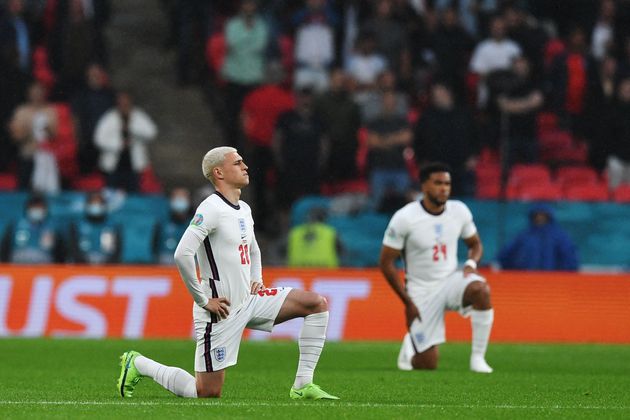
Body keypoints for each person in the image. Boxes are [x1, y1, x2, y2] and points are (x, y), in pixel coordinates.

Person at [117, 146, 338, 400]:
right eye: (238, 163)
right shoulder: (210, 208)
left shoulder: (243, 208)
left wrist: (258, 278)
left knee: (315, 304)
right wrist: (203, 300)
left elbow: (253, 249)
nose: (245, 166)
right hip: (221, 309)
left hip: (250, 299)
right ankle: (139, 363)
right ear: (219, 172)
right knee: (207, 392)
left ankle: (302, 386)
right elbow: (182, 254)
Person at [378, 162, 494, 373]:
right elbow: (386, 263)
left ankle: (478, 358)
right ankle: (410, 347)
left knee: (481, 290)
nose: (444, 188)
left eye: (447, 184)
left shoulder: (459, 211)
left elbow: (475, 244)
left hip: (450, 281)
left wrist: (470, 263)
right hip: (420, 291)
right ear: (424, 186)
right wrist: (407, 302)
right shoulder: (405, 217)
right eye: (438, 183)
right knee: (427, 365)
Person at [94, 91, 158, 192]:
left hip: (134, 166)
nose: (124, 105)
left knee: (134, 194)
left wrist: (132, 128)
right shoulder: (109, 117)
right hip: (113, 166)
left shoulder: (139, 116)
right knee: (111, 193)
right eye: (121, 102)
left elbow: (152, 133)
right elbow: (98, 139)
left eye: (126, 102)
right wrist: (119, 145)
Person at [497, 204, 578, 271]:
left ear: (548, 216)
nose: (539, 218)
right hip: (526, 280)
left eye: (543, 215)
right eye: (537, 215)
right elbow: (506, 256)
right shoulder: (523, 236)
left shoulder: (560, 236)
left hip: (554, 281)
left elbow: (570, 260)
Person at [0, 194, 63, 263]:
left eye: (40, 207)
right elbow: (5, 248)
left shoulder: (53, 228)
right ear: (27, 209)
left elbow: (60, 252)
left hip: (45, 264)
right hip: (18, 262)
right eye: (34, 207)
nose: (36, 210)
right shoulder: (15, 225)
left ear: (45, 210)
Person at [69, 191, 121, 264]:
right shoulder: (77, 225)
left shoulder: (113, 226)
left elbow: (117, 250)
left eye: (99, 203)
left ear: (104, 205)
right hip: (81, 266)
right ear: (87, 205)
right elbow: (73, 249)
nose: (96, 206)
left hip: (108, 267)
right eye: (93, 203)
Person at [153, 187, 192, 265]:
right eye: (177, 197)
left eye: (183, 197)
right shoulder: (162, 222)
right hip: (165, 261)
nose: (180, 200)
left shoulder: (196, 222)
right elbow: (154, 245)